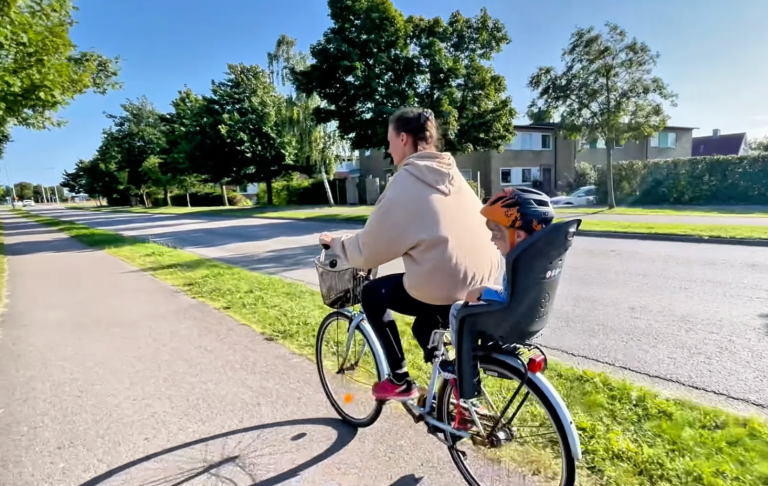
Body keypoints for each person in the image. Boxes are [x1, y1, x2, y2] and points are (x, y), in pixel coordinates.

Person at [319, 107, 500, 401]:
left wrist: (337, 243)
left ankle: (399, 380)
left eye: (389, 140)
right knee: (424, 326)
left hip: (444, 281)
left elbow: (368, 250)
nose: (388, 149)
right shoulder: (451, 173)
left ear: (403, 139)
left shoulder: (408, 180)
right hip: (481, 277)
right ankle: (454, 391)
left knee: (373, 294)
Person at [438, 187, 555, 381]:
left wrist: (482, 291)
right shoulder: (537, 256)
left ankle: (460, 365)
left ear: (518, 235)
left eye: (497, 233)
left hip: (509, 318)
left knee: (459, 310)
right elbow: (515, 292)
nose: (492, 239)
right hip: (528, 316)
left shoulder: (517, 260)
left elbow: (506, 299)